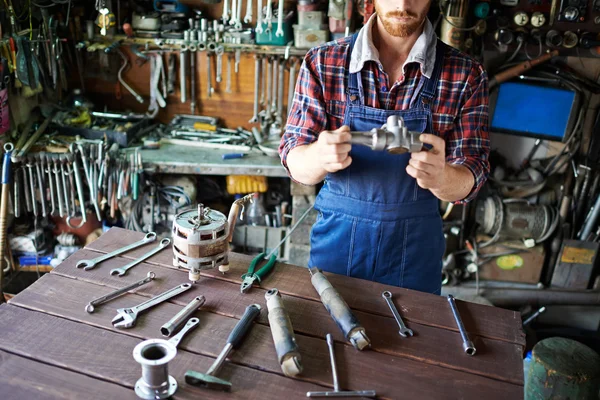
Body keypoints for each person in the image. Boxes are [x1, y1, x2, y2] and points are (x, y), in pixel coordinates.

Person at [279, 0, 490, 294]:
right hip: (338, 249)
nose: (403, 4)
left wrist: (443, 178)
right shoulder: (323, 63)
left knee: (413, 336)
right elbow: (295, 159)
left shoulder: (465, 75)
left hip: (415, 255)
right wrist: (317, 156)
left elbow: (473, 176)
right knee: (329, 332)